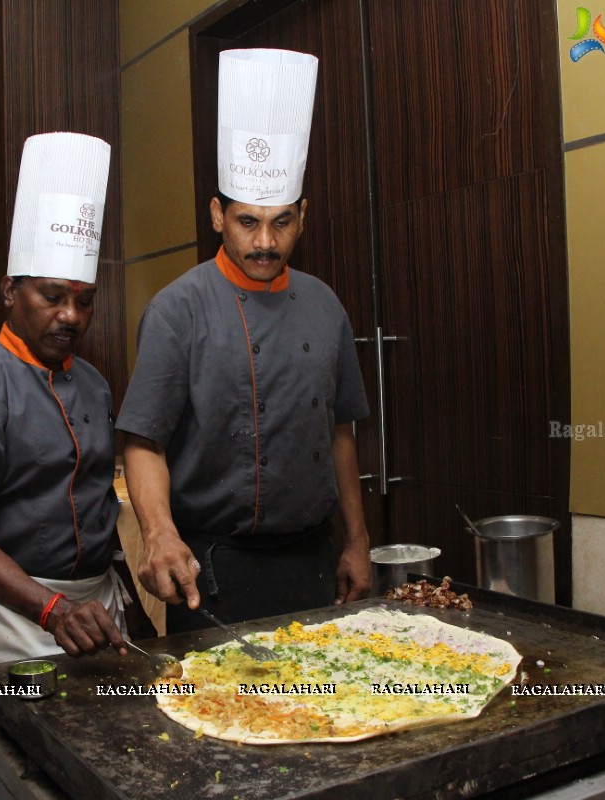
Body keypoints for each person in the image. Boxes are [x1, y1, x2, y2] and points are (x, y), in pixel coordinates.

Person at [116, 49, 372, 634]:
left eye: (281, 222)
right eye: (246, 222)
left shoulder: (325, 305)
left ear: (303, 216)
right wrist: (158, 534)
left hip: (313, 561)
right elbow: (143, 441)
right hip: (211, 570)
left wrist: (357, 541)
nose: (265, 242)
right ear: (216, 214)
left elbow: (340, 434)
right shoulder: (177, 310)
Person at [0, 132, 151, 664]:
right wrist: (52, 610)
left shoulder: (94, 383)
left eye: (84, 301)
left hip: (96, 611)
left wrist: (128, 605)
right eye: (52, 297)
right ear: (10, 292)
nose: (71, 316)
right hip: (9, 618)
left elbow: (97, 509)